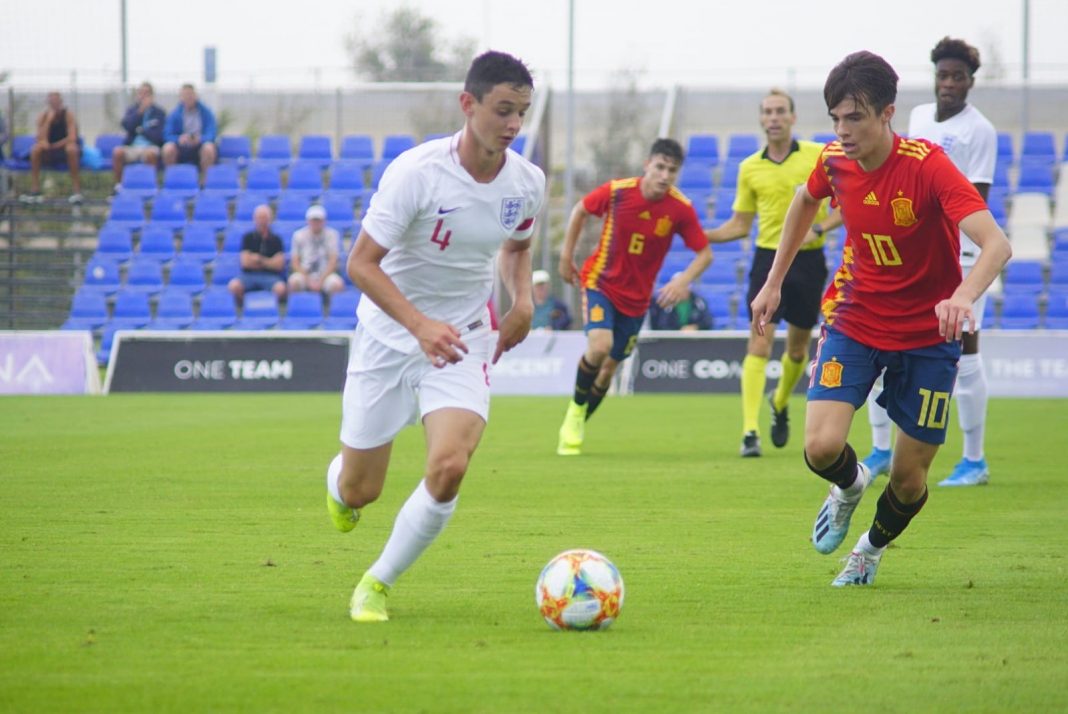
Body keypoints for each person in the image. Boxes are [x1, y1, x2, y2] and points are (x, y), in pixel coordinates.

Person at [750, 51, 1010, 587]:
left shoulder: (928, 164)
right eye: (835, 118)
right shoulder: (833, 162)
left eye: (855, 118)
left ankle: (869, 549)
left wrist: (962, 297)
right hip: (856, 317)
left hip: (927, 335)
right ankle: (849, 486)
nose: (842, 131)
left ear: (887, 113)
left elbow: (996, 245)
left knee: (911, 481)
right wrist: (773, 281)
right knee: (820, 448)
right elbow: (803, 202)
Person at [323, 50, 545, 622]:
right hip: (389, 337)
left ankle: (377, 583)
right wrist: (417, 324)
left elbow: (517, 247)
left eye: (521, 111)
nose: (514, 124)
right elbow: (361, 264)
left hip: (465, 338)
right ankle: (341, 482)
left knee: (449, 466)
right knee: (359, 491)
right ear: (467, 104)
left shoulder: (527, 182)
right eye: (503, 109)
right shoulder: (415, 172)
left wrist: (521, 300)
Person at [862, 37, 998, 488]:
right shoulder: (918, 117)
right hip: (908, 255)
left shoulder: (980, 131)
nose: (950, 84)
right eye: (943, 75)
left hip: (959, 257)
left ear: (970, 82)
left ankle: (975, 460)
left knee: (965, 357)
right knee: (880, 345)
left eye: (958, 76)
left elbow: (976, 200)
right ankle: (881, 449)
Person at [706, 89, 841, 457]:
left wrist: (820, 228)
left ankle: (780, 402)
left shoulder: (818, 155)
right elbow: (738, 225)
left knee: (797, 351)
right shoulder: (749, 168)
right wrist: (700, 235)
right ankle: (750, 432)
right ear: (761, 119)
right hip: (767, 261)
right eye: (768, 112)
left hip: (809, 261)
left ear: (793, 117)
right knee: (759, 343)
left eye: (781, 111)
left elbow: (845, 205)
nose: (774, 117)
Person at [556, 138, 712, 456]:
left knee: (610, 368)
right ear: (647, 165)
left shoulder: (680, 208)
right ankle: (574, 412)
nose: (665, 175)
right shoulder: (618, 191)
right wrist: (565, 256)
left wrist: (684, 280)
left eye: (672, 170)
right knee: (598, 347)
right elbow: (580, 211)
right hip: (601, 283)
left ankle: (579, 421)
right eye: (660, 167)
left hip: (638, 301)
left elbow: (704, 253)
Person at [21, 92, 82, 204]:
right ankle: (35, 189)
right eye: (51, 102)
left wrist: (56, 145)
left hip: (63, 149)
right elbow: (40, 137)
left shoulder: (68, 115)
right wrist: (48, 121)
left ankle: (76, 190)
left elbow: (72, 137)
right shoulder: (43, 117)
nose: (54, 104)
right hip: (48, 152)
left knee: (72, 149)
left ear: (61, 102)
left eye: (56, 101)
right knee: (35, 150)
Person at [228, 204, 287, 304]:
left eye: (264, 218)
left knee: (280, 288)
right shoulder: (248, 238)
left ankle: (271, 310)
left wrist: (259, 259)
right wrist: (269, 262)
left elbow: (279, 265)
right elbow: (245, 262)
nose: (262, 221)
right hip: (249, 275)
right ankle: (244, 308)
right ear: (254, 219)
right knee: (233, 286)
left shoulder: (276, 240)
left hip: (270, 276)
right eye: (259, 218)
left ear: (270, 219)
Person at [113, 82, 166, 189]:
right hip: (132, 146)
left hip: (150, 146)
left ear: (152, 96)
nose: (143, 96)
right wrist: (140, 112)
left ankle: (151, 186)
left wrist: (141, 131)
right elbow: (127, 126)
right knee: (117, 152)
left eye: (146, 93)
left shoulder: (159, 113)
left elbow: (158, 136)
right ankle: (119, 186)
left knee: (151, 154)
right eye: (141, 93)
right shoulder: (132, 110)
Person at [287, 204, 345, 295]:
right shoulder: (298, 235)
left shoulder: (332, 235)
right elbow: (295, 262)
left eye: (318, 220)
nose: (316, 223)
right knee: (294, 282)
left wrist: (321, 280)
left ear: (324, 221)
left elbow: (333, 261)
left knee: (337, 284)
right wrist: (308, 280)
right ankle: (300, 306)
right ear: (308, 221)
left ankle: (330, 307)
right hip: (304, 273)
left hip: (325, 274)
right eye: (313, 220)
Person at [162, 83, 217, 177]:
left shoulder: (206, 113)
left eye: (190, 94)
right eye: (185, 95)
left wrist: (200, 139)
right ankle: (172, 179)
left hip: (200, 146)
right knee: (168, 148)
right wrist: (179, 139)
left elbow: (212, 133)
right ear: (181, 97)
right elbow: (167, 134)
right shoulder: (175, 114)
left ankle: (205, 182)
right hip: (181, 147)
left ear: (196, 96)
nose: (188, 97)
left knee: (209, 148)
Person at [647, 273, 713, 330]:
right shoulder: (664, 303)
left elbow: (708, 321)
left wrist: (696, 327)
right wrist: (679, 331)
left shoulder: (699, 302)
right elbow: (660, 325)